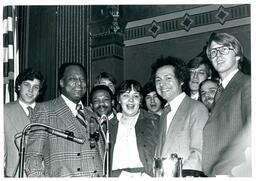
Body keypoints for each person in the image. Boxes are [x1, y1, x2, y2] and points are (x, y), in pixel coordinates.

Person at [25, 63, 104, 177]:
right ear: (61, 82)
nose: (79, 83)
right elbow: (32, 155)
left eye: (82, 79)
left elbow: (101, 154)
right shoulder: (45, 110)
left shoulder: (92, 114)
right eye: (73, 79)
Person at [202, 32, 251, 176]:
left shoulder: (247, 84)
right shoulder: (220, 91)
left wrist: (230, 169)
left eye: (224, 49)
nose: (218, 55)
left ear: (237, 55)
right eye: (213, 52)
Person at [151, 56, 208, 174]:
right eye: (158, 80)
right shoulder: (164, 114)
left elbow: (199, 153)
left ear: (181, 80)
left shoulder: (196, 108)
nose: (162, 84)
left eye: (168, 78)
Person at [109, 80, 160, 177]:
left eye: (135, 96)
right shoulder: (109, 126)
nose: (131, 100)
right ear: (118, 99)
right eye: (126, 95)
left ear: (140, 100)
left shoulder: (154, 121)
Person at [4, 68, 46, 177]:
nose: (31, 90)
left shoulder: (47, 112)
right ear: (18, 86)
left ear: (40, 91)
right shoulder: (4, 111)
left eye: (35, 87)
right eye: (27, 85)